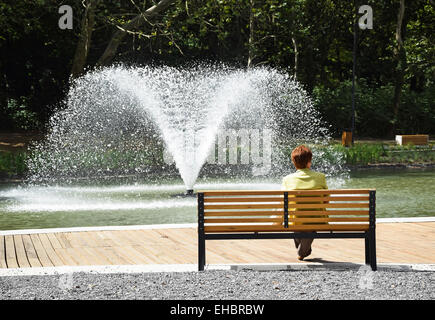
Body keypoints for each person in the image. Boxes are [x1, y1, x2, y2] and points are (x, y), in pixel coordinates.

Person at [281, 145, 328, 260]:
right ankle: (304, 250)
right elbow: (326, 200)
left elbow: (284, 202)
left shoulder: (287, 179)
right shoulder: (320, 177)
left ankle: (304, 249)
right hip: (317, 219)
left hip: (294, 220)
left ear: (294, 163)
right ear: (309, 162)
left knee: (295, 217)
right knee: (311, 220)